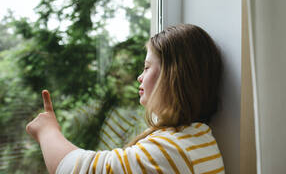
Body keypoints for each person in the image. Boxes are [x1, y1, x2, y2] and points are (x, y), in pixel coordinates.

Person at [26, 24, 225, 174]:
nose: (139, 76)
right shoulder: (198, 138)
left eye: (147, 68)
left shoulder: (173, 150)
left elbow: (78, 169)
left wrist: (47, 130)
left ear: (173, 76)